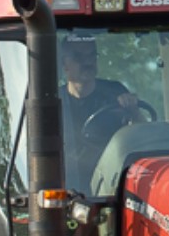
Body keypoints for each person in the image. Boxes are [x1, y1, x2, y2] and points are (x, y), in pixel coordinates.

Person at [60, 36, 141, 188]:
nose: (88, 62)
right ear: (64, 64)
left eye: (92, 55)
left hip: (114, 182)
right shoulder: (55, 102)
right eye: (78, 57)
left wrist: (134, 111)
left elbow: (140, 137)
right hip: (68, 186)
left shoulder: (116, 93)